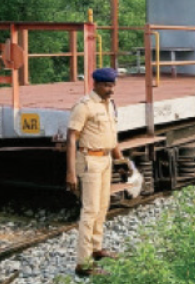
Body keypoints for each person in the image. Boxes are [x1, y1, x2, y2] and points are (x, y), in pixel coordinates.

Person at [66, 67, 126, 277]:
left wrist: (120, 158)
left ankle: (96, 249)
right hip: (89, 161)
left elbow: (111, 134)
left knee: (102, 206)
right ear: (96, 84)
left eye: (113, 85)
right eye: (107, 86)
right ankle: (83, 264)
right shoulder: (84, 106)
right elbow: (72, 137)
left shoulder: (109, 105)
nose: (111, 90)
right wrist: (71, 172)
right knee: (89, 211)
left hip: (105, 159)